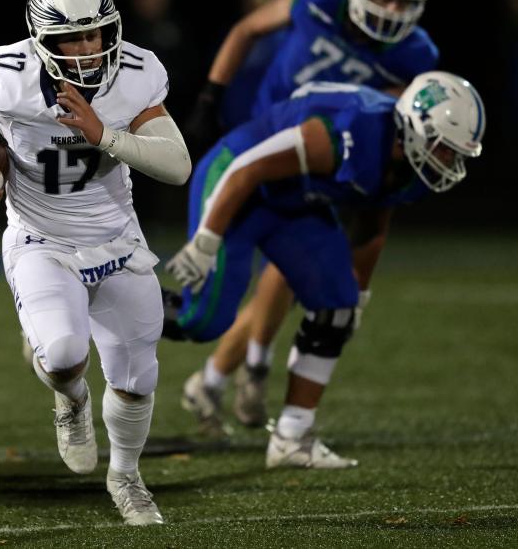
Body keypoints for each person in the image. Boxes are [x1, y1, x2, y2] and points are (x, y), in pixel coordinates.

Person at [0, 0, 190, 524]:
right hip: (40, 236)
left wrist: (105, 135)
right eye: (71, 38)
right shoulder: (6, 75)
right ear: (39, 39)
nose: (88, 48)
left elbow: (177, 165)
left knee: (137, 375)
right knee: (66, 354)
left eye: (96, 33)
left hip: (117, 236)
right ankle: (70, 398)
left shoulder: (136, 73)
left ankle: (126, 476)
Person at [170, 0, 439, 436]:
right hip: (268, 142)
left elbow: (384, 130)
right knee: (213, 309)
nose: (390, 11)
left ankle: (238, 373)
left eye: (404, 2)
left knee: (310, 280)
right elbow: (249, 28)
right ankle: (235, 366)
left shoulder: (414, 56)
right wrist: (211, 96)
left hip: (325, 165)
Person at [166, 72, 485, 467]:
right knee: (203, 322)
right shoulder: (352, 130)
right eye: (444, 149)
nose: (448, 162)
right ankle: (122, 297)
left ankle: (292, 438)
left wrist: (360, 296)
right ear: (414, 129)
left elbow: (373, 223)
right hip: (239, 183)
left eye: (456, 154)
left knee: (338, 307)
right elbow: (248, 168)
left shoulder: (410, 165)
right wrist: (207, 239)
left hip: (295, 205)